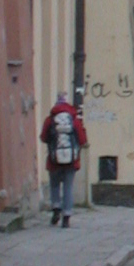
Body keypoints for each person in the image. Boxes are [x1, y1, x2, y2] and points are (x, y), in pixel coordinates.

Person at [40, 92, 87, 227]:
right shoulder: (74, 120)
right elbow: (82, 139)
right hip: (71, 161)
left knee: (54, 185)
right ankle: (66, 216)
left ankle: (56, 209)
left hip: (54, 160)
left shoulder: (50, 120)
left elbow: (43, 137)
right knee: (68, 187)